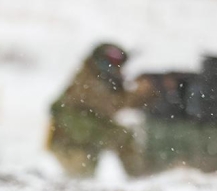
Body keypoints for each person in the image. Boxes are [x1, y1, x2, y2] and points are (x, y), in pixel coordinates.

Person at [46, 42, 150, 177]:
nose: (116, 67)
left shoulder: (101, 78)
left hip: (84, 135)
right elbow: (108, 105)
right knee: (79, 176)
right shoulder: (86, 79)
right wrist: (136, 92)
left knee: (83, 176)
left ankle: (139, 177)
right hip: (71, 138)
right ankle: (139, 178)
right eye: (112, 61)